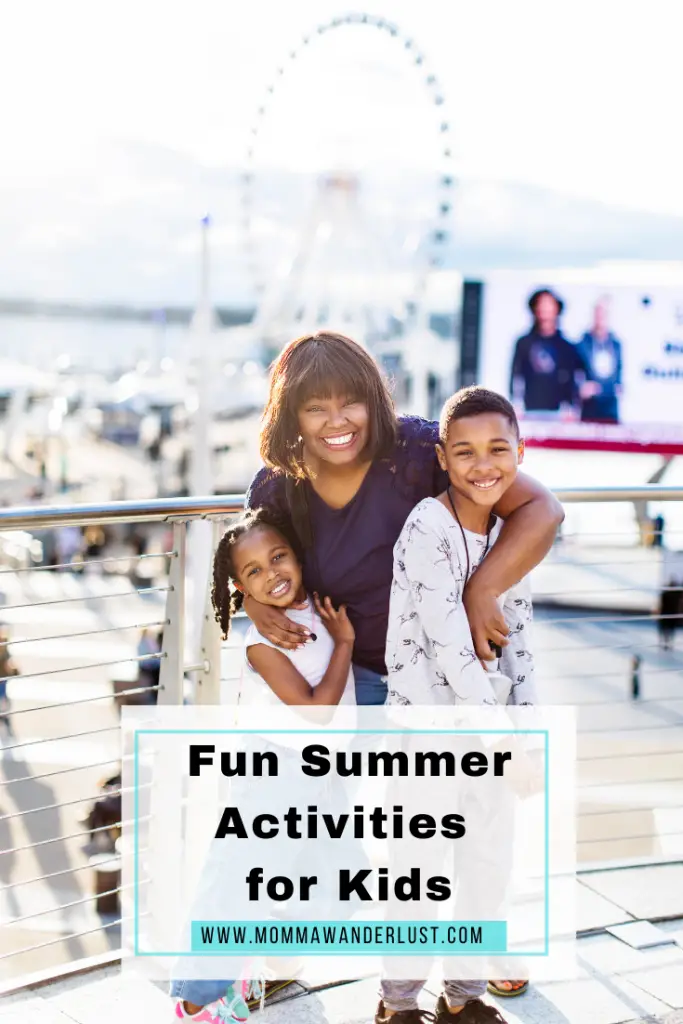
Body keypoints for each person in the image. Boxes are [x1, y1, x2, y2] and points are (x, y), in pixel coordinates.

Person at [245, 331, 563, 708]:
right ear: (291, 414)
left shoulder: (417, 450)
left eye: (351, 403)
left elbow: (543, 509)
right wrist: (253, 602)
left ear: (373, 400)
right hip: (345, 683)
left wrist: (485, 589)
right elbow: (244, 566)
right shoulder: (275, 487)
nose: (336, 421)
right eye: (315, 408)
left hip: (442, 679)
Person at [379, 387, 536, 1023]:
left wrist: (524, 734)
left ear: (521, 452)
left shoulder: (508, 535)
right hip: (426, 736)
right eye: (465, 452)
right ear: (443, 457)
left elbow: (520, 644)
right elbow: (448, 645)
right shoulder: (427, 527)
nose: (483, 465)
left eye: (499, 449)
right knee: (419, 873)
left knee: (486, 868)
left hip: (492, 735)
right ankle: (398, 1003)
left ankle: (464, 998)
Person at [169, 506, 355, 1022]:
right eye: (253, 572)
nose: (272, 574)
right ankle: (197, 999)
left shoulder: (318, 606)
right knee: (236, 877)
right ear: (239, 586)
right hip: (276, 766)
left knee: (328, 874)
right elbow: (317, 711)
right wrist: (345, 643)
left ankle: (265, 963)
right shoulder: (262, 643)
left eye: (279, 558)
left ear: (298, 555)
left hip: (321, 772)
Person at [509, 289, 586, 416]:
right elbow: (515, 375)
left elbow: (573, 378)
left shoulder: (566, 346)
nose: (544, 309)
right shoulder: (524, 343)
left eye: (549, 305)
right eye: (540, 304)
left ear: (557, 309)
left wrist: (571, 406)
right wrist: (516, 403)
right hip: (529, 411)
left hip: (559, 413)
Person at [575, 296, 623, 424]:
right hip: (589, 410)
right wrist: (580, 388)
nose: (601, 316)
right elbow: (573, 377)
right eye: (598, 312)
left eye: (605, 313)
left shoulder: (616, 345)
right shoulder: (582, 344)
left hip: (610, 410)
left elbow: (618, 383)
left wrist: (600, 389)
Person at [0, 625, 19, 735]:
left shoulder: (4, 648)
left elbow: (9, 663)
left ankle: (4, 716)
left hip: (2, 681)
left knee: (4, 700)